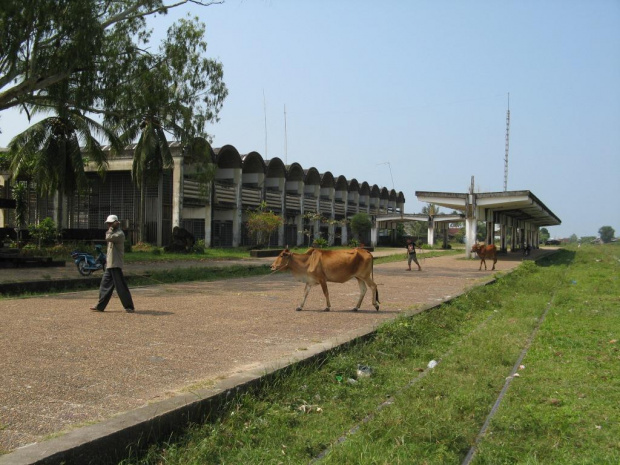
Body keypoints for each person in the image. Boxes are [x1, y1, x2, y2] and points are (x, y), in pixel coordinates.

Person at [90, 215, 135, 312]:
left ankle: (129, 306)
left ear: (116, 223)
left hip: (115, 264)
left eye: (110, 223)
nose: (108, 225)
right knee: (104, 285)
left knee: (121, 287)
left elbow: (108, 237)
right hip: (110, 264)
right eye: (108, 224)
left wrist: (111, 228)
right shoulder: (114, 232)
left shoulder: (119, 234)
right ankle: (100, 306)